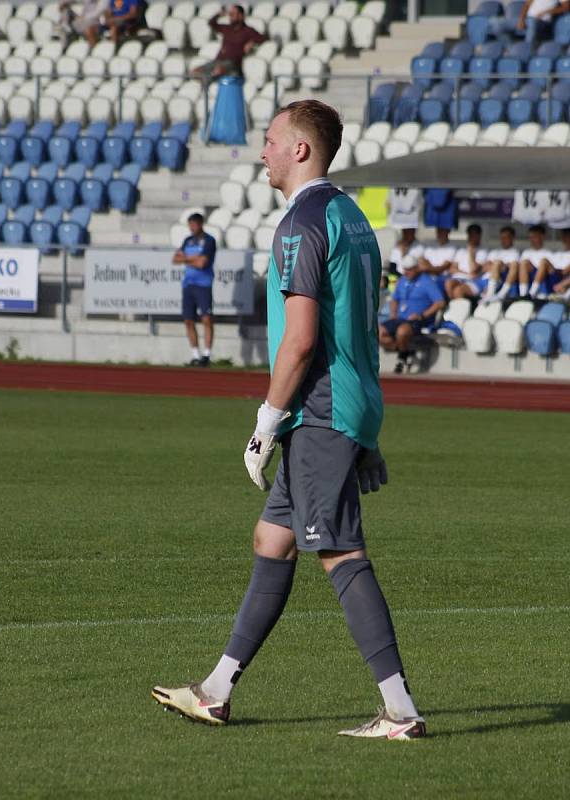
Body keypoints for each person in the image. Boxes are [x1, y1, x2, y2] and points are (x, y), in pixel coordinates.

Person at [152, 100, 427, 741]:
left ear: (300, 149)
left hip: (318, 408)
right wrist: (368, 425)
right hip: (347, 402)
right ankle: (215, 691)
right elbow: (353, 326)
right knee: (271, 540)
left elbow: (301, 339)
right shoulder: (351, 215)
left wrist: (266, 422)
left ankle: (402, 711)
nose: (262, 151)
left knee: (338, 551)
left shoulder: (301, 222)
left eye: (271, 139)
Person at [379, 254, 445, 373]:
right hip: (399, 318)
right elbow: (395, 299)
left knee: (402, 332)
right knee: (378, 332)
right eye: (405, 269)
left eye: (409, 269)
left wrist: (422, 315)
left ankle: (402, 358)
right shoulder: (402, 280)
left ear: (416, 268)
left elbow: (439, 303)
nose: (406, 272)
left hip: (417, 320)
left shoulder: (427, 282)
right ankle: (404, 350)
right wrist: (393, 313)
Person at [173, 213, 216, 367]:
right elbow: (175, 259)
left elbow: (202, 264)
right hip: (188, 284)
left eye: (194, 224)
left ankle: (207, 355)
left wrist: (186, 259)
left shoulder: (209, 241)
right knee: (188, 320)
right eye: (190, 224)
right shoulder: (188, 240)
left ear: (200, 224)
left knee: (206, 319)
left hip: (203, 284)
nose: (192, 227)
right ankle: (195, 354)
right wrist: (193, 258)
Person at [191, 4, 266, 81]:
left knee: (218, 70)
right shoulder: (227, 28)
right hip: (218, 60)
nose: (230, 16)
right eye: (230, 14)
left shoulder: (247, 30)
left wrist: (252, 42)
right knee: (195, 71)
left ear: (240, 16)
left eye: (233, 14)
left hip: (233, 63)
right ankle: (206, 87)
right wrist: (219, 14)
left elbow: (262, 38)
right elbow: (211, 23)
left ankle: (212, 84)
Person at [444, 223, 489, 300]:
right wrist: (465, 273)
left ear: (479, 235)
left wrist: (471, 253)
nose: (471, 237)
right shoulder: (461, 250)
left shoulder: (483, 251)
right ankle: (452, 305)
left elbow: (474, 270)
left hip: (473, 281)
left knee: (458, 291)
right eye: (469, 234)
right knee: (448, 283)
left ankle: (460, 309)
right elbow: (452, 269)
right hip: (459, 277)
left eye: (473, 235)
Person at [527, 228, 570, 298]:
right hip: (553, 275)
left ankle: (532, 293)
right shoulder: (558, 253)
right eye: (564, 237)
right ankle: (533, 293)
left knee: (544, 261)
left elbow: (564, 272)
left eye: (567, 237)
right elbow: (552, 267)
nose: (565, 239)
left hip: (562, 276)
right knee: (540, 263)